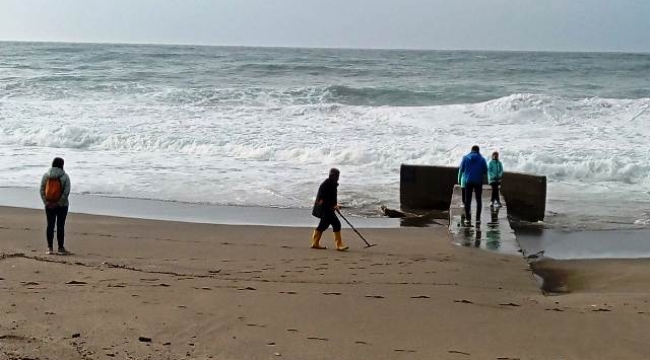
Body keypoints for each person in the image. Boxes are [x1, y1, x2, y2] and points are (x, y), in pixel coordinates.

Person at [311, 168, 348, 251]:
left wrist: (335, 205)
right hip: (325, 210)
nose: (338, 178)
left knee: (325, 225)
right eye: (337, 176)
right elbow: (321, 200)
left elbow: (331, 198)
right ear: (333, 176)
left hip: (329, 209)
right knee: (334, 224)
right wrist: (332, 206)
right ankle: (339, 245)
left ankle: (315, 243)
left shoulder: (332, 184)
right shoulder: (327, 184)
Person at [39, 157, 71, 255]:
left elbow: (42, 190)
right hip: (62, 205)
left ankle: (50, 248)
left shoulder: (46, 176)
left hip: (49, 204)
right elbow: (66, 192)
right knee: (60, 225)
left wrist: (46, 202)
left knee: (50, 225)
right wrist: (59, 203)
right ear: (62, 165)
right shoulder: (65, 176)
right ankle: (61, 248)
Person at [459, 145, 488, 226]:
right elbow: (485, 170)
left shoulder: (465, 158)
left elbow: (462, 169)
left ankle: (468, 219)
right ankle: (478, 219)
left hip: (468, 181)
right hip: (478, 181)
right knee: (478, 200)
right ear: (478, 151)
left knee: (467, 200)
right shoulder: (482, 159)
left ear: (471, 150)